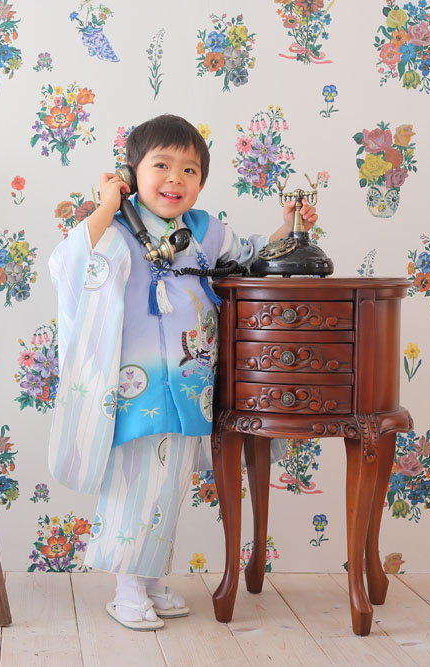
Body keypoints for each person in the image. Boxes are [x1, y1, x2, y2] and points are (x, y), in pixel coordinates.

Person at [48, 114, 317, 630]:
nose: (176, 178)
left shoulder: (206, 231)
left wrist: (290, 225)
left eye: (190, 170)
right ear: (131, 173)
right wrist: (107, 205)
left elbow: (255, 258)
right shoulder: (115, 230)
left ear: (201, 182)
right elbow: (69, 265)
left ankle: (148, 579)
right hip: (135, 386)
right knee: (136, 482)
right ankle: (127, 589)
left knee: (167, 486)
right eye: (162, 166)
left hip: (190, 385)